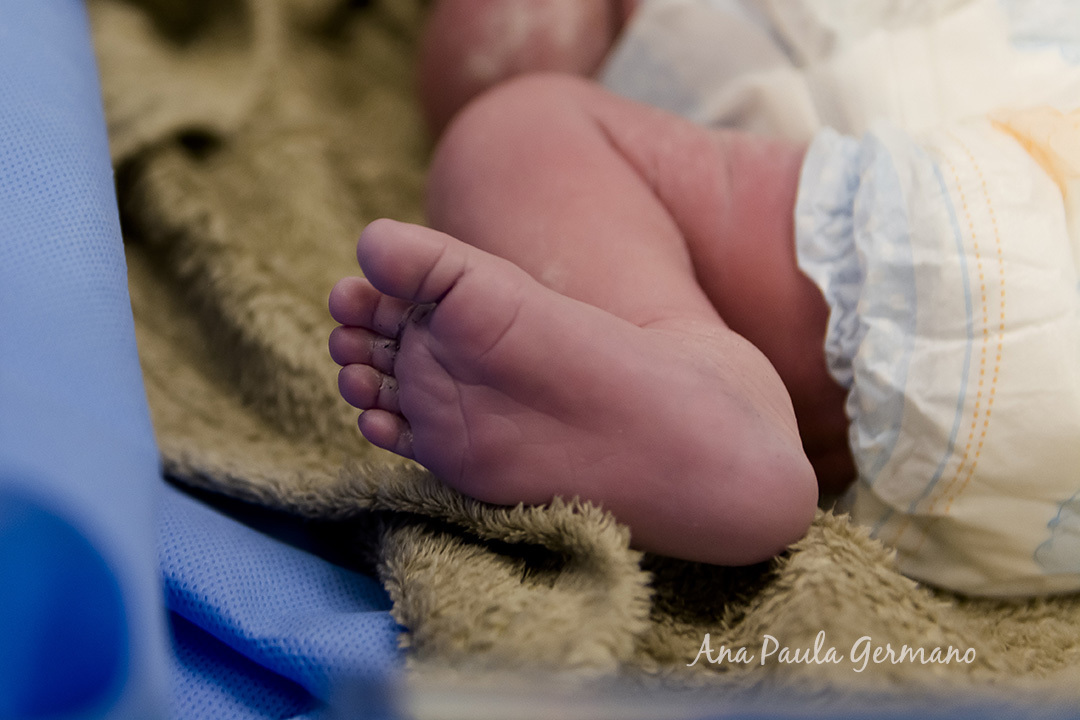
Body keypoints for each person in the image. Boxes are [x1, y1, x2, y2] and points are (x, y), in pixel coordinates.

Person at [330, 0, 1080, 595]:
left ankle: (700, 363)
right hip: (1044, 493)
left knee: (515, 133)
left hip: (1006, 218)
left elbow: (492, 54)